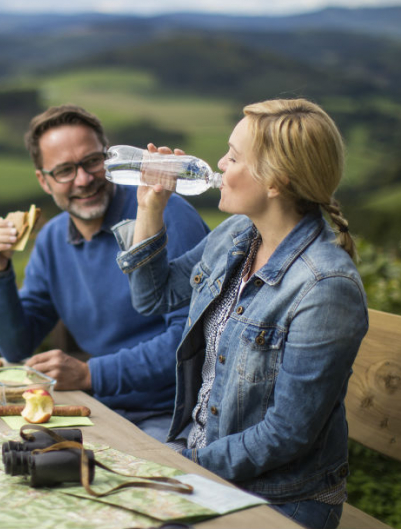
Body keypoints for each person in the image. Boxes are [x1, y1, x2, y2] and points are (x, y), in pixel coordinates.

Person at [113, 98, 368, 529]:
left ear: (275, 182)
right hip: (206, 468)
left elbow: (287, 433)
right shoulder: (237, 235)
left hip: (279, 499)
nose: (218, 164)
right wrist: (150, 207)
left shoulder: (326, 288)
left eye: (233, 156)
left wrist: (182, 463)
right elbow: (153, 298)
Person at [0, 104, 209, 441]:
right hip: (96, 407)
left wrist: (90, 374)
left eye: (91, 162)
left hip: (172, 414)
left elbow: (189, 341)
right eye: (65, 170)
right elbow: (16, 345)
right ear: (44, 181)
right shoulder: (52, 241)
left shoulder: (165, 213)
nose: (83, 180)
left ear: (108, 156)